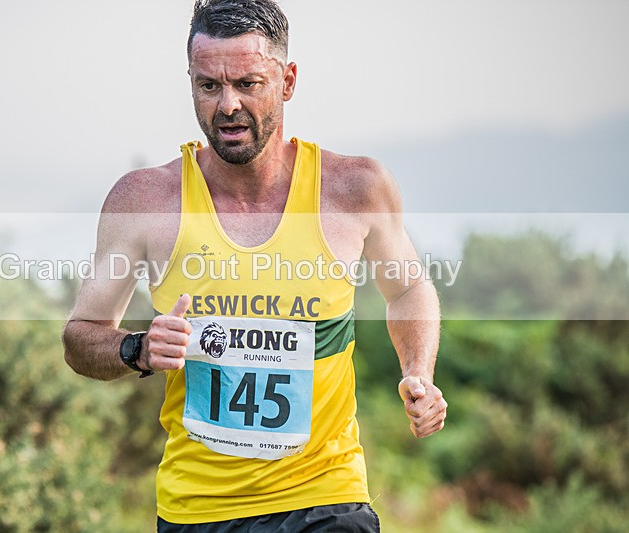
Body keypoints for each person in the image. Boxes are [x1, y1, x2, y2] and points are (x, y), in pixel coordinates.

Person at [63, 0, 447, 531]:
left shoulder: (354, 188)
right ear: (190, 82)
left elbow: (408, 290)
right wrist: (138, 348)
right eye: (209, 86)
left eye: (248, 83)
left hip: (326, 496)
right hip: (199, 508)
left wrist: (418, 374)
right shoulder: (144, 200)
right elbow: (80, 337)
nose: (228, 105)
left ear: (287, 82)